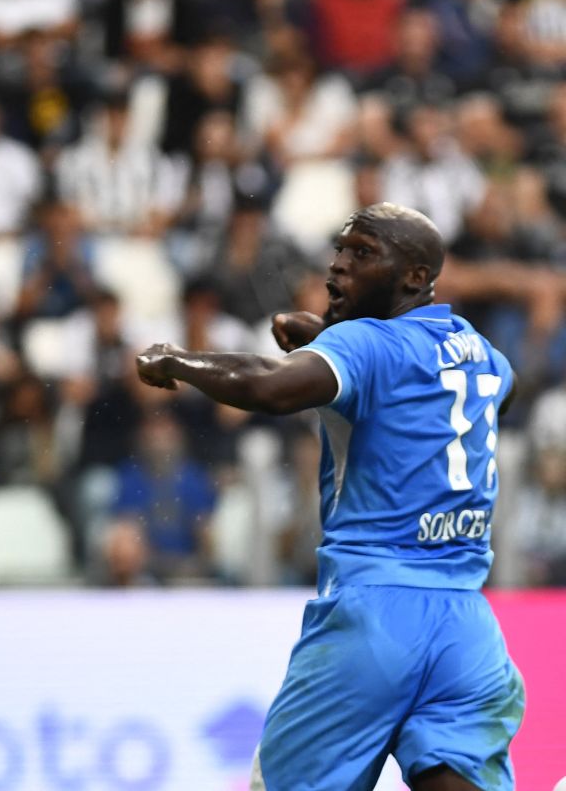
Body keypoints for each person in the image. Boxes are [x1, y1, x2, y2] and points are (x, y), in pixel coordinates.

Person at [135, 202, 524, 791]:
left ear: (416, 276)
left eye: (362, 253)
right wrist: (327, 341)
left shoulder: (368, 346)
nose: (337, 267)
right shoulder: (480, 352)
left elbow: (269, 387)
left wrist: (179, 361)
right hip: (466, 629)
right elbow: (479, 394)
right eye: (340, 249)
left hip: (373, 619)